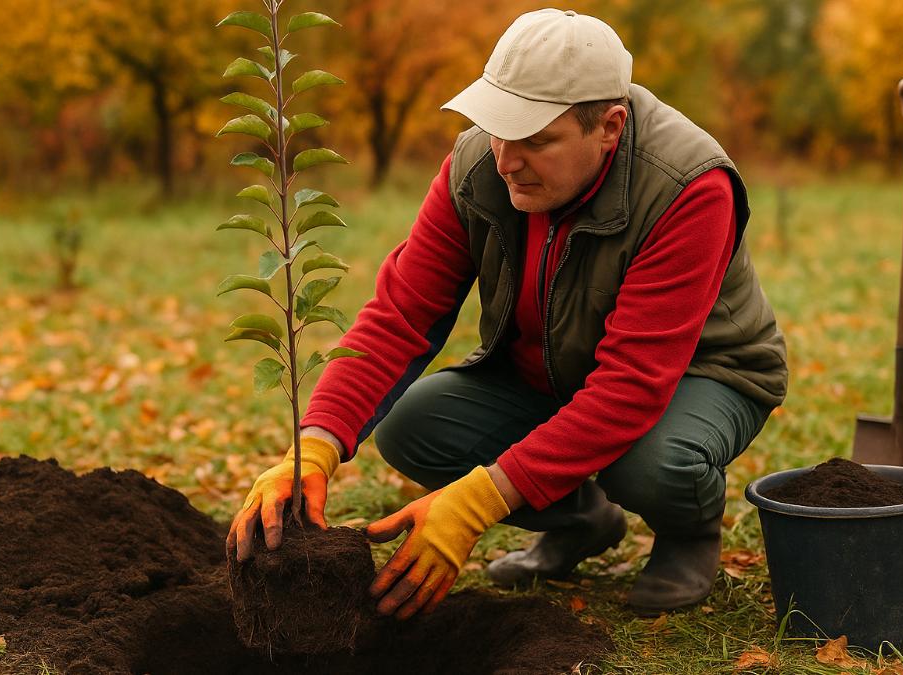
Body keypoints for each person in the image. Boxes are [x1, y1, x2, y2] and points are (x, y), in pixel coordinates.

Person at [226, 8, 787, 621]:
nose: (505, 160)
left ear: (610, 126)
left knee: (647, 464)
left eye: (535, 140)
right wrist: (313, 446)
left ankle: (688, 533)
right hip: (557, 372)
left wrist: (476, 503)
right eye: (497, 129)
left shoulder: (687, 186)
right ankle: (580, 522)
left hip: (701, 374)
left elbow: (631, 386)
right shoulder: (476, 168)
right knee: (414, 426)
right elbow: (400, 315)